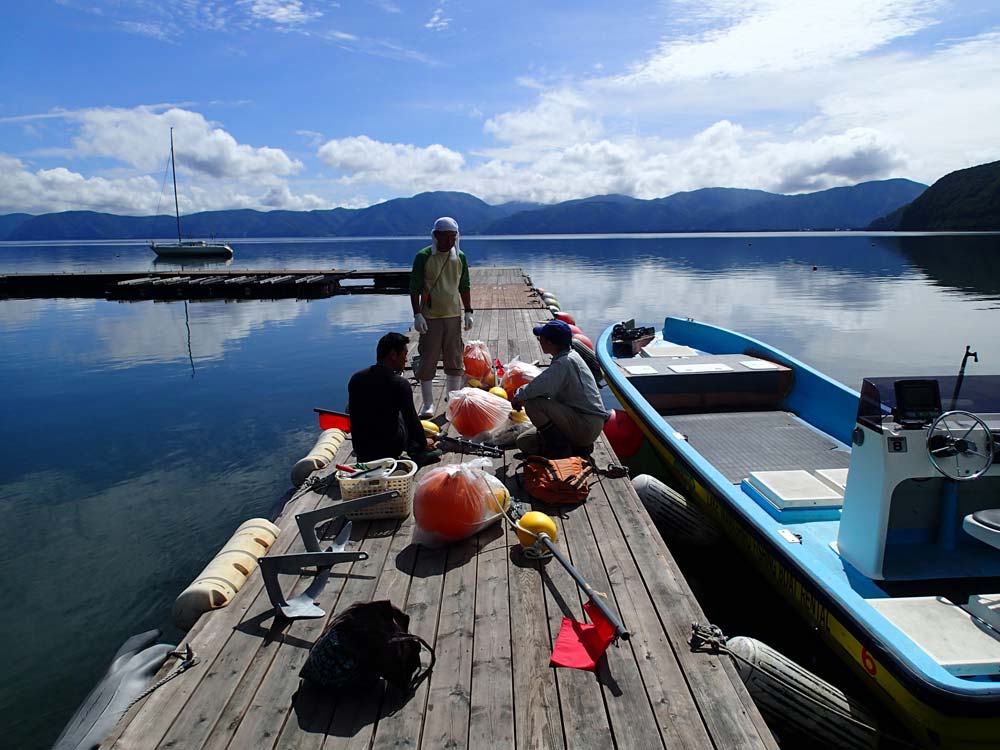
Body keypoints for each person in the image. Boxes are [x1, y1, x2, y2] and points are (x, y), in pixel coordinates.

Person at [511, 320, 610, 459]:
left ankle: (561, 450)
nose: (540, 341)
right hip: (584, 422)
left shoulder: (564, 362)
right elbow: (544, 384)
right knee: (524, 442)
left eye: (541, 339)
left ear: (550, 343)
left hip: (585, 424)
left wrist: (518, 397)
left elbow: (538, 386)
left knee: (533, 403)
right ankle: (576, 447)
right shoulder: (571, 355)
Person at [410, 216, 474, 417]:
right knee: (428, 358)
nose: (450, 242)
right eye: (445, 237)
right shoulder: (424, 256)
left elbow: (464, 285)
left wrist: (469, 311)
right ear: (436, 236)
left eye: (453, 237)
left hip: (453, 315)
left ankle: (452, 401)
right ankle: (428, 404)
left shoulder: (460, 257)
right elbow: (415, 287)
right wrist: (417, 314)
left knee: (454, 359)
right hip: (430, 316)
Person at [348, 332, 440, 465]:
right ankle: (414, 450)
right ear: (393, 355)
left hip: (362, 451)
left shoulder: (356, 379)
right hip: (389, 451)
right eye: (404, 354)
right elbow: (412, 421)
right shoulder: (399, 383)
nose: (406, 359)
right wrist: (424, 442)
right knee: (403, 415)